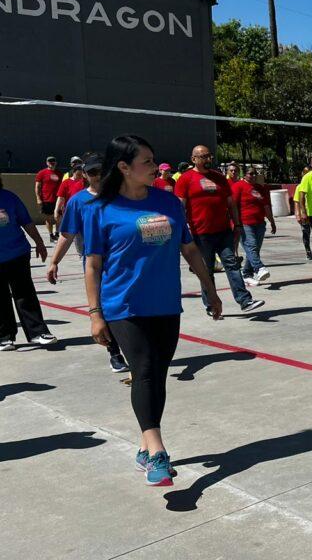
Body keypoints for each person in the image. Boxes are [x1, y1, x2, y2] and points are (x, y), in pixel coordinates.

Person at [84, 134, 222, 486]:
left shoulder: (168, 202)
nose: (154, 166)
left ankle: (145, 446)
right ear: (124, 167)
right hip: (123, 305)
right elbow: (93, 264)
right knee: (144, 369)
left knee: (156, 376)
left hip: (165, 303)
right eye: (146, 161)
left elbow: (189, 249)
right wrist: (95, 312)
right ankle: (158, 452)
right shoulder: (100, 208)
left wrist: (210, 288)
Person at [47, 153, 128, 371]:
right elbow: (66, 234)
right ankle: (114, 352)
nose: (98, 176)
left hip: (123, 261)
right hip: (95, 263)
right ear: (84, 174)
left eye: (102, 171)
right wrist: (55, 262)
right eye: (92, 172)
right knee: (104, 309)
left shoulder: (122, 196)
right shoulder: (78, 201)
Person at [175, 145, 265, 313]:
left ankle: (245, 300)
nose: (207, 159)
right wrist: (182, 229)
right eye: (203, 157)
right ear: (193, 159)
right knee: (206, 271)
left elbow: (231, 204)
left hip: (223, 231)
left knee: (232, 265)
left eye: (209, 156)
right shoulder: (185, 179)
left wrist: (237, 225)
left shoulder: (219, 178)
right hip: (200, 233)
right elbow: (180, 206)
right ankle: (210, 304)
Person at [0, 175, 57, 351]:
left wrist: (39, 242)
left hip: (17, 253)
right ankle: (4, 337)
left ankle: (37, 333)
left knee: (25, 293)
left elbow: (26, 222)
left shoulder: (9, 197)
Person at [234, 167, 276, 286]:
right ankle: (259, 268)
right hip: (245, 223)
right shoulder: (238, 186)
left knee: (254, 250)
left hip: (259, 223)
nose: (253, 176)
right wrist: (235, 223)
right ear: (245, 174)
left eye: (255, 174)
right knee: (251, 246)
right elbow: (233, 206)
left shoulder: (260, 188)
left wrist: (272, 221)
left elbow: (266, 206)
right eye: (250, 173)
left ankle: (247, 274)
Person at [35, 155, 63, 243]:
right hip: (46, 200)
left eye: (53, 161)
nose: (51, 163)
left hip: (58, 199)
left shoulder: (60, 173)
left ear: (56, 163)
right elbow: (37, 187)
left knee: (58, 217)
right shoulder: (41, 173)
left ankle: (57, 233)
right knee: (49, 218)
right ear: (47, 163)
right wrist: (38, 198)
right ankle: (51, 235)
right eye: (50, 162)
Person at [54, 160, 87, 231]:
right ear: (73, 173)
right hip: (69, 211)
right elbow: (60, 198)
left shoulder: (86, 183)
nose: (80, 177)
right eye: (78, 175)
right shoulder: (66, 183)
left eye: (82, 175)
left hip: (84, 211)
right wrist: (56, 210)